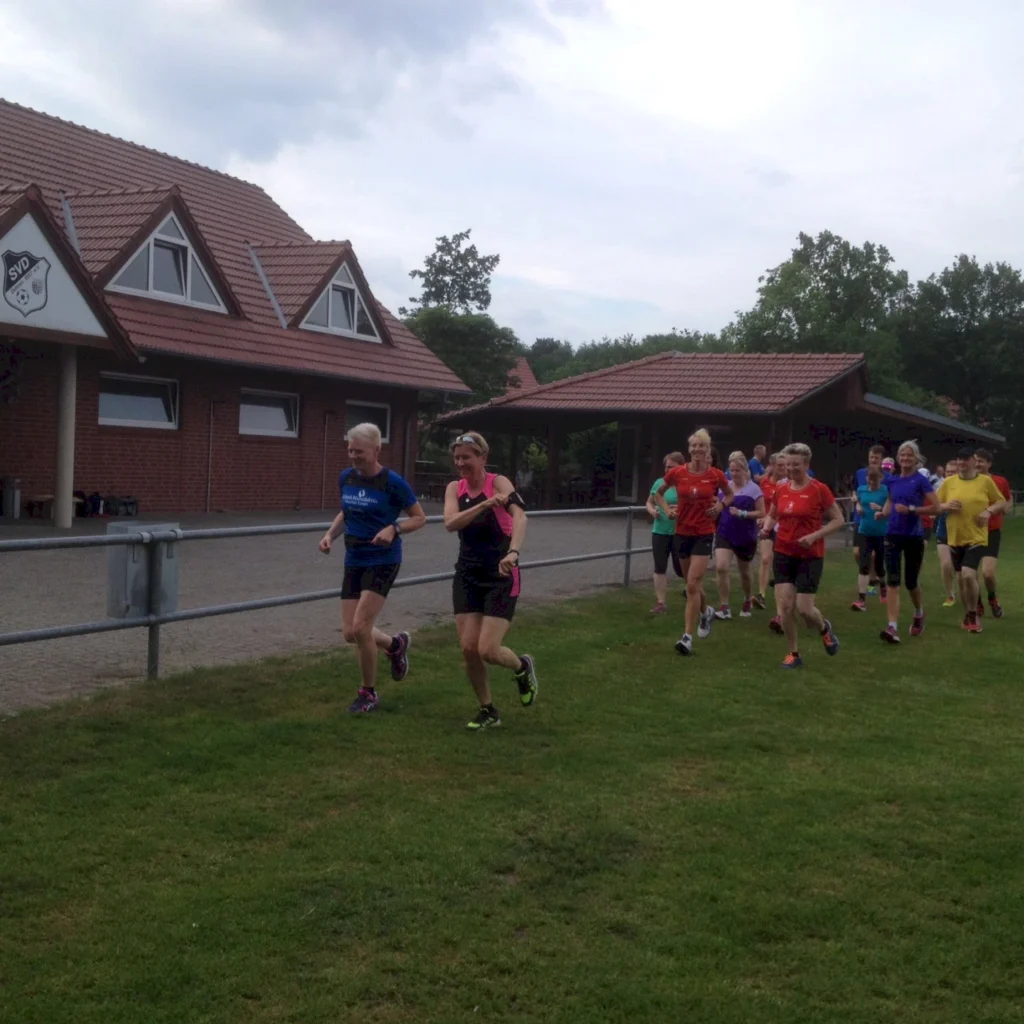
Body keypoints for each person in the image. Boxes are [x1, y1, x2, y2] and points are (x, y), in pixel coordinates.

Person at [319, 423, 427, 713]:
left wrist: (394, 528)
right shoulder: (346, 477)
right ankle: (395, 645)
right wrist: (330, 535)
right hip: (354, 558)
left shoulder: (393, 482)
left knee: (361, 627)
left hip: (383, 560)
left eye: (360, 451)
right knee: (350, 632)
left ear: (376, 450)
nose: (354, 456)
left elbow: (419, 518)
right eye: (350, 450)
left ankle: (368, 693)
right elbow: (347, 511)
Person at [444, 432, 539, 730]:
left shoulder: (499, 483)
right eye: (457, 457)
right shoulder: (455, 488)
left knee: (487, 649)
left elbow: (520, 517)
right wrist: (484, 505)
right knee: (468, 649)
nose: (461, 463)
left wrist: (514, 552)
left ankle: (521, 666)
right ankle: (488, 710)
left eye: (467, 457)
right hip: (467, 575)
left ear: (483, 458)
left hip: (501, 573)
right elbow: (451, 523)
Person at [759, 442, 843, 668]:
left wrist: (815, 536)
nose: (791, 469)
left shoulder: (819, 489)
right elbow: (773, 515)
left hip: (810, 555)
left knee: (805, 610)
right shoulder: (781, 489)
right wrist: (766, 528)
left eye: (795, 465)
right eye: (788, 465)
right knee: (786, 607)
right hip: (783, 552)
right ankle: (793, 653)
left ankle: (824, 628)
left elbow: (839, 520)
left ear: (806, 464)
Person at [655, 428, 734, 656]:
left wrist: (720, 506)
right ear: (689, 449)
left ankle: (687, 637)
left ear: (708, 450)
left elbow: (729, 495)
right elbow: (658, 494)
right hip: (682, 532)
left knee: (692, 584)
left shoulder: (715, 475)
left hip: (703, 533)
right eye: (694, 446)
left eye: (702, 446)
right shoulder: (677, 473)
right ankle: (706, 611)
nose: (698, 449)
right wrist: (667, 510)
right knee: (691, 583)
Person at [936, 447, 1006, 633]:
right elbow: (934, 506)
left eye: (965, 459)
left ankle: (973, 615)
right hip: (955, 537)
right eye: (959, 459)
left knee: (968, 574)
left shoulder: (985, 481)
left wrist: (988, 511)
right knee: (962, 578)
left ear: (973, 462)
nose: (961, 462)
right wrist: (946, 505)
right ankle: (969, 612)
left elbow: (1001, 502)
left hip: (977, 537)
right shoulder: (949, 482)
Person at [879, 441, 940, 643]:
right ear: (898, 458)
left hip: (914, 536)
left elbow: (936, 507)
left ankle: (919, 612)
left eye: (909, 455)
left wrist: (912, 510)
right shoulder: (892, 480)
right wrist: (883, 513)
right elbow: (891, 500)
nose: (905, 458)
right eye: (902, 455)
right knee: (893, 581)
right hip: (892, 535)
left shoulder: (921, 481)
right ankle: (892, 627)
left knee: (911, 582)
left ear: (916, 459)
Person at [714, 452, 764, 619]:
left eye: (737, 470)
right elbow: (719, 505)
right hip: (725, 532)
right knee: (721, 567)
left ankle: (747, 599)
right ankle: (724, 606)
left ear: (744, 470)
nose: (734, 473)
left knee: (745, 572)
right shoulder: (725, 487)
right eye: (732, 470)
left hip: (745, 536)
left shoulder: (754, 489)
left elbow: (761, 512)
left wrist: (743, 513)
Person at [974, 448, 1012, 618]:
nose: (977, 464)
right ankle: (977, 603)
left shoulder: (1000, 481)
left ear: (989, 464)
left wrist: (1006, 508)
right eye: (975, 460)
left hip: (992, 531)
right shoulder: (968, 480)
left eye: (981, 461)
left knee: (988, 574)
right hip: (971, 531)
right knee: (970, 573)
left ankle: (992, 598)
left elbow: (1008, 498)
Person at [645, 451, 685, 614]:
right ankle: (661, 603)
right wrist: (652, 511)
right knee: (659, 566)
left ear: (681, 467)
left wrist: (680, 509)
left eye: (672, 467)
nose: (669, 470)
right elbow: (649, 502)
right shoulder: (659, 483)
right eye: (667, 467)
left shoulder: (685, 484)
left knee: (681, 568)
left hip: (679, 531)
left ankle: (693, 591)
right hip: (660, 530)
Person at [852, 445, 889, 599]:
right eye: (871, 457)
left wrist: (882, 509)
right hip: (861, 521)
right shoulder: (860, 474)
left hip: (880, 526)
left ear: (882, 460)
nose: (873, 460)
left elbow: (891, 502)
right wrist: (856, 502)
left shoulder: (887, 479)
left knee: (876, 559)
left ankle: (875, 582)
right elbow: (855, 491)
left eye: (876, 458)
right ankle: (868, 584)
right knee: (858, 554)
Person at [757, 453, 786, 614]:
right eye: (779, 465)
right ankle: (761, 594)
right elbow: (760, 503)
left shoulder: (788, 484)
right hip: (767, 525)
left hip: (783, 526)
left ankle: (782, 590)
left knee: (779, 562)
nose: (782, 468)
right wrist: (761, 518)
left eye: (784, 465)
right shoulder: (764, 483)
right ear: (772, 466)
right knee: (765, 558)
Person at [934, 459, 959, 607]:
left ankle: (967, 592)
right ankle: (950, 595)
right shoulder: (942, 486)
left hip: (962, 531)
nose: (950, 474)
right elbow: (935, 506)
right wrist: (946, 506)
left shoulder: (965, 486)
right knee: (946, 565)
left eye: (953, 472)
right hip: (943, 530)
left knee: (963, 571)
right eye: (948, 472)